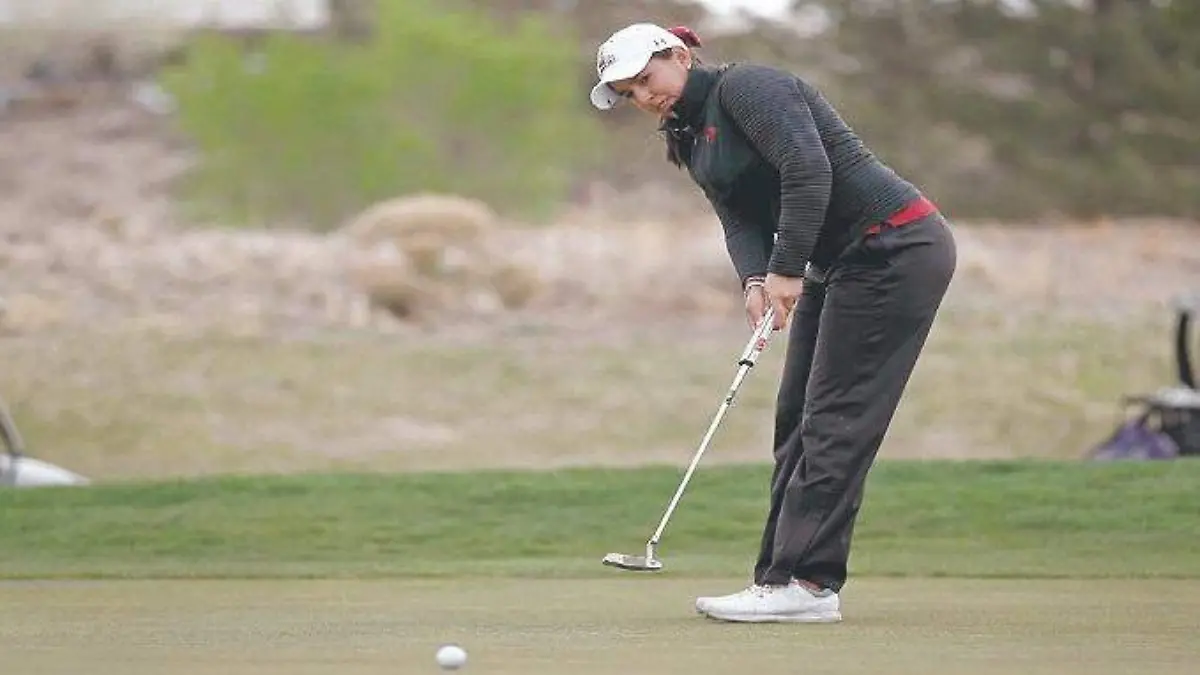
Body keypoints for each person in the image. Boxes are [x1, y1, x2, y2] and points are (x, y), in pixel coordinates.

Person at [589, 23, 957, 623]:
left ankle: (805, 585)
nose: (644, 96)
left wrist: (786, 270)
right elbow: (738, 220)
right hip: (837, 262)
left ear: (680, 56)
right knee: (796, 419)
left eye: (646, 79)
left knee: (835, 420)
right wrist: (756, 280)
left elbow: (808, 170)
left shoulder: (748, 88)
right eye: (630, 92)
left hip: (893, 246)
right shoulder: (688, 136)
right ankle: (781, 581)